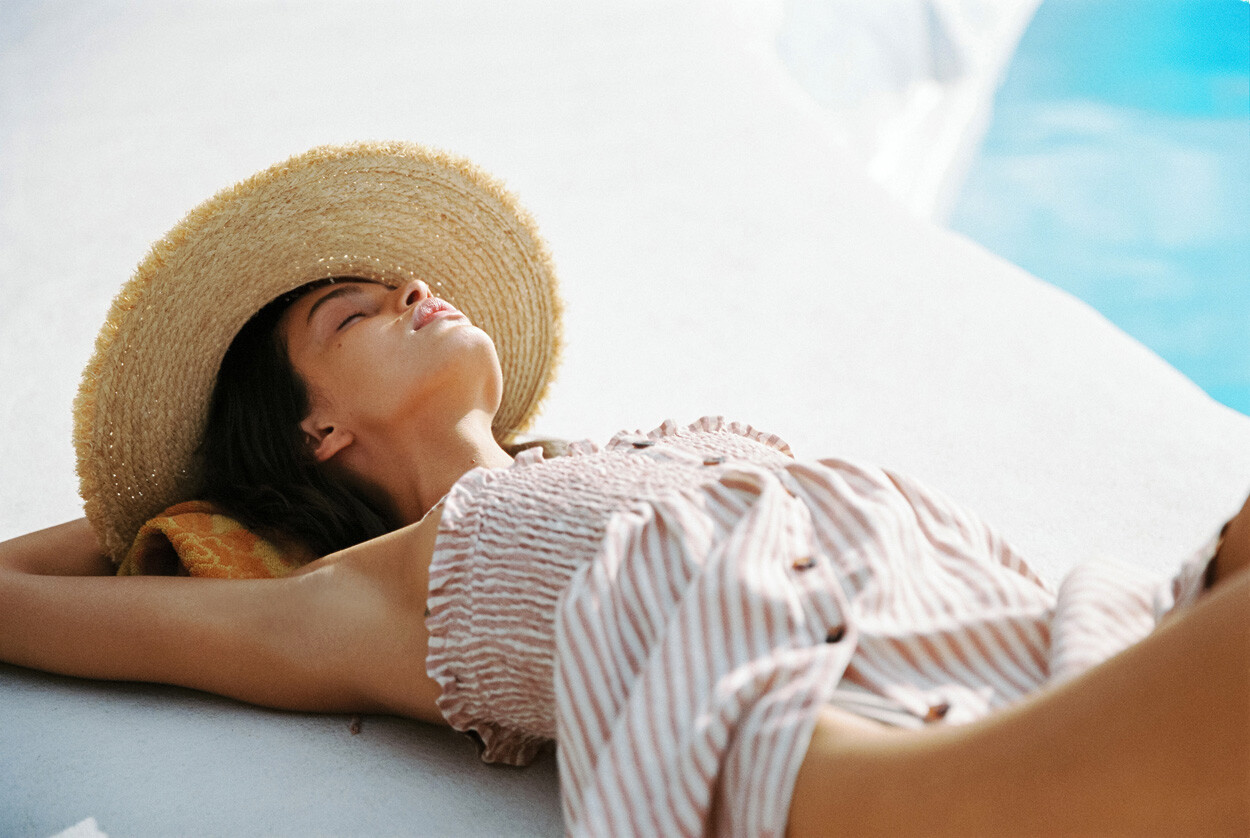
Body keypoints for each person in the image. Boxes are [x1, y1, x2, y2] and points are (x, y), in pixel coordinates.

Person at [0, 143, 1246, 837]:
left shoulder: (641, 450)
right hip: (840, 753)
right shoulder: (359, 594)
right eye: (352, 311)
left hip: (1010, 647)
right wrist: (213, 489)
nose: (413, 289)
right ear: (316, 429)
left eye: (403, 283)